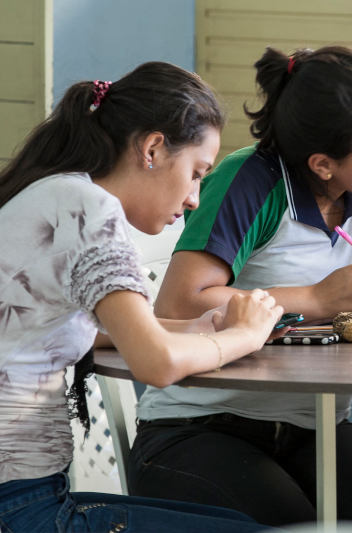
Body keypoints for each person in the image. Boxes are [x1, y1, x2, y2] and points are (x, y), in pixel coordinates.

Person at [127, 46, 352, 527]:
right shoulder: (250, 180)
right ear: (323, 165)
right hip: (198, 425)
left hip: (313, 426)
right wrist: (319, 298)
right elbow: (183, 301)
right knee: (290, 522)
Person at [0, 62, 285, 532]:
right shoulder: (90, 210)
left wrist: (188, 330)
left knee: (239, 521)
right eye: (196, 172)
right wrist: (245, 336)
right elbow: (157, 365)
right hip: (20, 506)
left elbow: (41, 332)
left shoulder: (55, 193)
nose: (196, 197)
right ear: (152, 148)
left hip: (26, 494)